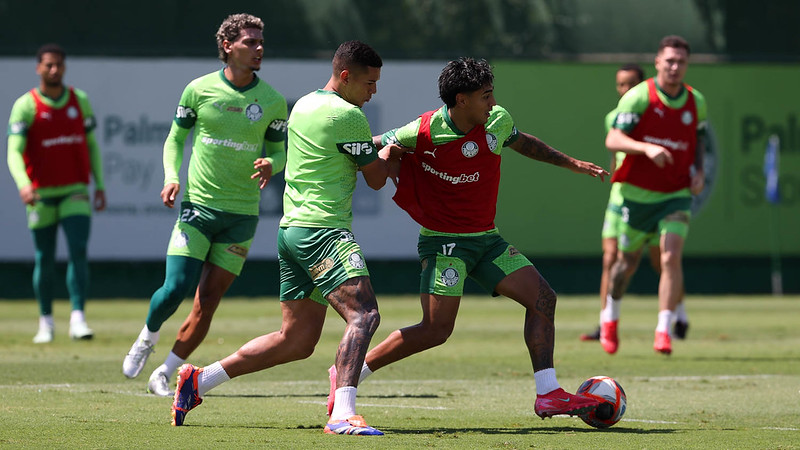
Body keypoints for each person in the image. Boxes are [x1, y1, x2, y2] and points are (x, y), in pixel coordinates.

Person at [327, 57, 608, 422]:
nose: (493, 103)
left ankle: (548, 393)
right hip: (444, 244)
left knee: (542, 299)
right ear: (461, 100)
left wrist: (573, 163)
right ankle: (349, 373)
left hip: (487, 241)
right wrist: (383, 154)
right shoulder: (423, 130)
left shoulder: (497, 121)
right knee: (436, 330)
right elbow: (375, 145)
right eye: (485, 96)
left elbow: (523, 143)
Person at [171, 40, 400, 435]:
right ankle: (343, 414)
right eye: (369, 82)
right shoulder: (348, 116)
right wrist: (392, 153)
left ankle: (199, 380)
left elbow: (342, 150)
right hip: (323, 231)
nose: (373, 91)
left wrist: (375, 147)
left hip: (292, 232)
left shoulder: (307, 104)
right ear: (346, 76)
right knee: (365, 315)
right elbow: (377, 180)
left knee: (295, 341)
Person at [121, 13, 288, 396]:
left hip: (242, 216)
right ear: (227, 46)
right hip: (198, 208)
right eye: (250, 42)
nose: (259, 48)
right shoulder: (198, 90)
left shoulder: (273, 101)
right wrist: (171, 176)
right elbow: (174, 139)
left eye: (261, 42)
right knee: (176, 286)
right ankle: (147, 336)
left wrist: (272, 163)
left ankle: (165, 371)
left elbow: (281, 153)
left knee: (207, 303)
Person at [600, 35, 706, 355]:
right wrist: (646, 148)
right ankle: (610, 317)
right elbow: (613, 139)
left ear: (687, 65)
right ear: (658, 62)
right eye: (669, 61)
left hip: (675, 194)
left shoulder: (695, 101)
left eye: (681, 62)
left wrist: (698, 171)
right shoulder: (639, 97)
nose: (675, 67)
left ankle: (664, 328)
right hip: (637, 195)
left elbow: (697, 140)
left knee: (670, 256)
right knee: (625, 265)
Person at [581, 63, 689, 342]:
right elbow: (616, 153)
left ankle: (680, 316)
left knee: (662, 259)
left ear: (642, 86)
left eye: (630, 84)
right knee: (611, 260)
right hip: (622, 198)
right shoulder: (613, 118)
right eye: (620, 84)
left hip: (656, 196)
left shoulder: (653, 111)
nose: (625, 90)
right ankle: (605, 321)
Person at [6, 43, 106, 344]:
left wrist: (98, 184)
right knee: (44, 257)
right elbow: (13, 151)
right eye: (48, 65)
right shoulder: (26, 105)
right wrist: (23, 183)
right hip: (40, 194)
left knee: (78, 251)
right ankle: (46, 322)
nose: (54, 70)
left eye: (58, 65)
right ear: (38, 67)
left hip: (75, 189)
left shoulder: (80, 101)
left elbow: (91, 147)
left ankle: (78, 318)